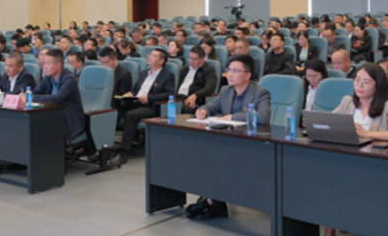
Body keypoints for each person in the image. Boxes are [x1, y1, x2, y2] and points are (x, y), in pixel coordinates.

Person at [314, 64, 388, 236]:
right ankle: (329, 235)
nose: (360, 86)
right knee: (326, 180)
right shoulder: (347, 102)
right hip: (346, 161)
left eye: (366, 82)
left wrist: (368, 134)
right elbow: (330, 122)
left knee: (363, 187)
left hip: (375, 165)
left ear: (377, 85)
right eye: (357, 80)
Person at [187, 55, 271, 221]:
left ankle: (212, 202)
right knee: (204, 152)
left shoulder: (260, 93)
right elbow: (211, 106)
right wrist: (203, 111)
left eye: (235, 70)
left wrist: (234, 116)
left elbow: (263, 117)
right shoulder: (226, 90)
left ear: (247, 75)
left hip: (251, 144)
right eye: (229, 70)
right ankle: (213, 201)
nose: (230, 74)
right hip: (228, 142)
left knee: (217, 158)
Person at [111, 49, 176, 167]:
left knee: (131, 115)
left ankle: (123, 152)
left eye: (153, 56)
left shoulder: (167, 75)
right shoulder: (144, 73)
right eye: (150, 55)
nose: (149, 57)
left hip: (151, 106)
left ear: (161, 61)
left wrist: (149, 98)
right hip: (136, 102)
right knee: (114, 112)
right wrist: (130, 93)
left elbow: (169, 94)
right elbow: (135, 88)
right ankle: (105, 147)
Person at [27, 49, 85, 141]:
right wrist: (26, 94)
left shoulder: (69, 79)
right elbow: (36, 91)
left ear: (58, 66)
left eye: (48, 64)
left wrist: (30, 97)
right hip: (53, 115)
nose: (44, 67)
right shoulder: (48, 77)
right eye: (44, 64)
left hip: (69, 120)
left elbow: (57, 99)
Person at [177, 46, 218, 115]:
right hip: (179, 98)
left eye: (195, 59)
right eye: (190, 58)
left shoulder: (208, 70)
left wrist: (195, 95)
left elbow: (210, 87)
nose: (191, 61)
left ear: (203, 58)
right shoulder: (185, 69)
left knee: (185, 108)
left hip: (195, 100)